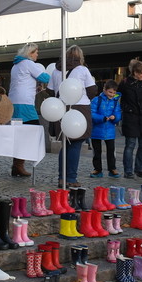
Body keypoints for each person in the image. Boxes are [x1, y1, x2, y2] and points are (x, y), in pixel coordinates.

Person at [49, 45, 97, 187]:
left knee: (65, 145)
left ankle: (61, 178)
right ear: (80, 56)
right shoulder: (82, 70)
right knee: (75, 144)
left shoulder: (56, 70)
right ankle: (71, 178)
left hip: (61, 108)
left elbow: (50, 91)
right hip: (80, 108)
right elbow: (92, 90)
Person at [9, 43, 51, 177]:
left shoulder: (16, 65)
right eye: (36, 52)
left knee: (20, 134)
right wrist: (55, 77)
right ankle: (19, 165)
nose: (37, 55)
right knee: (32, 131)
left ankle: (17, 165)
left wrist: (34, 88)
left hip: (14, 102)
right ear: (30, 53)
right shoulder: (28, 63)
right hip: (25, 103)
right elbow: (44, 78)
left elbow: (23, 82)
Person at [116, 59, 142, 179]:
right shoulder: (125, 83)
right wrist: (126, 109)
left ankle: (140, 169)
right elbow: (117, 98)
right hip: (131, 118)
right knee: (130, 146)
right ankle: (128, 171)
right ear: (135, 73)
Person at [90, 80, 122, 178]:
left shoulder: (115, 101)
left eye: (114, 93)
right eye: (110, 92)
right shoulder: (96, 100)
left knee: (111, 150)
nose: (112, 95)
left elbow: (118, 113)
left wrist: (115, 117)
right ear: (104, 90)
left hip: (110, 130)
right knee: (97, 151)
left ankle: (112, 168)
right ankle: (97, 169)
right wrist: (102, 118)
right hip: (96, 129)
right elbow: (92, 113)